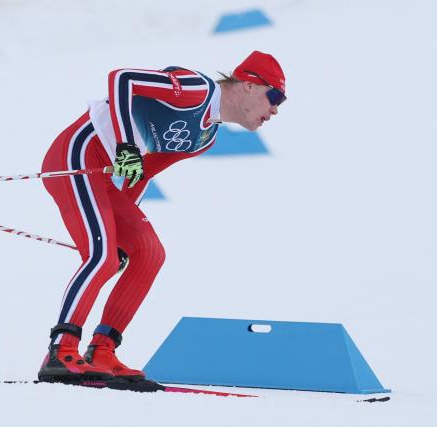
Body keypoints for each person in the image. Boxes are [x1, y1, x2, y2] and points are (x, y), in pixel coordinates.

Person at [38, 50, 286, 382]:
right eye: (275, 96)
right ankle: (60, 352)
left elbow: (141, 173)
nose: (275, 109)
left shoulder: (204, 138)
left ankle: (102, 352)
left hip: (105, 175)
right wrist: (126, 145)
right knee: (102, 258)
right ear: (248, 86)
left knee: (148, 253)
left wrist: (120, 233)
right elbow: (122, 79)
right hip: (79, 154)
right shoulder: (197, 89)